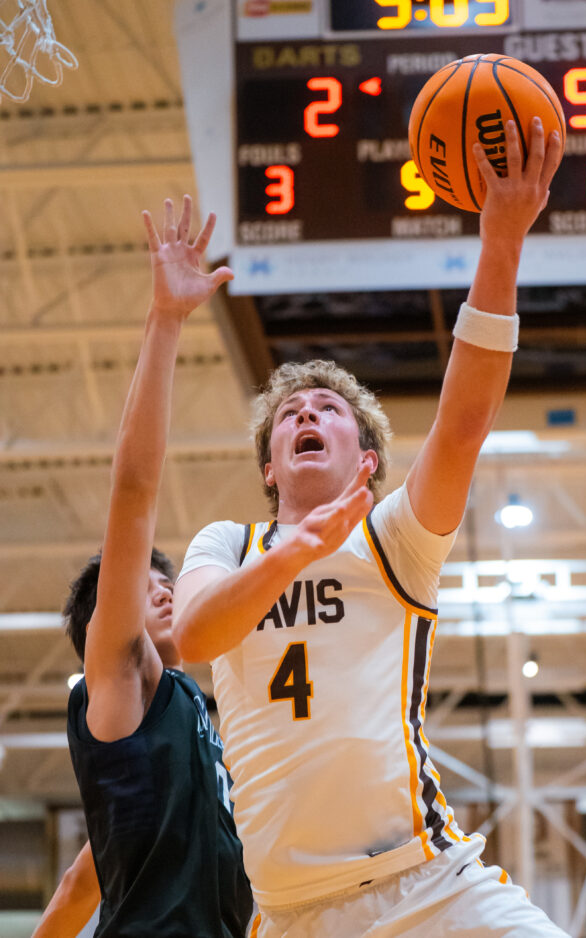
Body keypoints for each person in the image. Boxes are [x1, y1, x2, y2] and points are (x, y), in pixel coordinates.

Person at [173, 120, 569, 936]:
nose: (307, 413)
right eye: (290, 414)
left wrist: (500, 242)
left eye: (329, 409)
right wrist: (299, 549)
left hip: (428, 884)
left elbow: (462, 423)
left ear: (369, 456)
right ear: (270, 469)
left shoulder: (394, 539)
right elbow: (195, 638)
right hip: (290, 915)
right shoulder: (227, 544)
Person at [32, 197, 253, 938]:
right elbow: (133, 494)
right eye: (144, 584)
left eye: (168, 580)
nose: (163, 588)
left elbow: (74, 891)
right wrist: (166, 321)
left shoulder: (177, 730)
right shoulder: (119, 681)